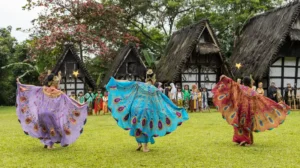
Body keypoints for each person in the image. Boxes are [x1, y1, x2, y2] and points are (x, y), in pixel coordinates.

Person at [106, 77, 188, 152]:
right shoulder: (154, 90)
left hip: (135, 108)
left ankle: (139, 143)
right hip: (146, 109)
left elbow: (127, 82)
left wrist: (115, 80)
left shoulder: (138, 84)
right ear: (153, 80)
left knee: (136, 124)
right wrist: (174, 109)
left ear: (146, 79)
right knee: (146, 126)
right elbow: (162, 101)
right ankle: (145, 146)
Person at [16, 71, 87, 149]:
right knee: (53, 129)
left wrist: (20, 84)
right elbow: (70, 101)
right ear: (55, 83)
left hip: (40, 113)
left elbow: (31, 88)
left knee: (44, 128)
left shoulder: (44, 89)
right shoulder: (58, 92)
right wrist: (80, 105)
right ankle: (50, 145)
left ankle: (46, 143)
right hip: (50, 114)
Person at [212, 75, 290, 146]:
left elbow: (231, 83)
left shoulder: (239, 87)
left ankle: (240, 139)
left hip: (239, 110)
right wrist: (278, 106)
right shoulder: (252, 92)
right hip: (249, 111)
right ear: (250, 83)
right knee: (248, 124)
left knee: (239, 123)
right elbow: (264, 100)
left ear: (243, 82)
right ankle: (245, 140)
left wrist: (224, 77)